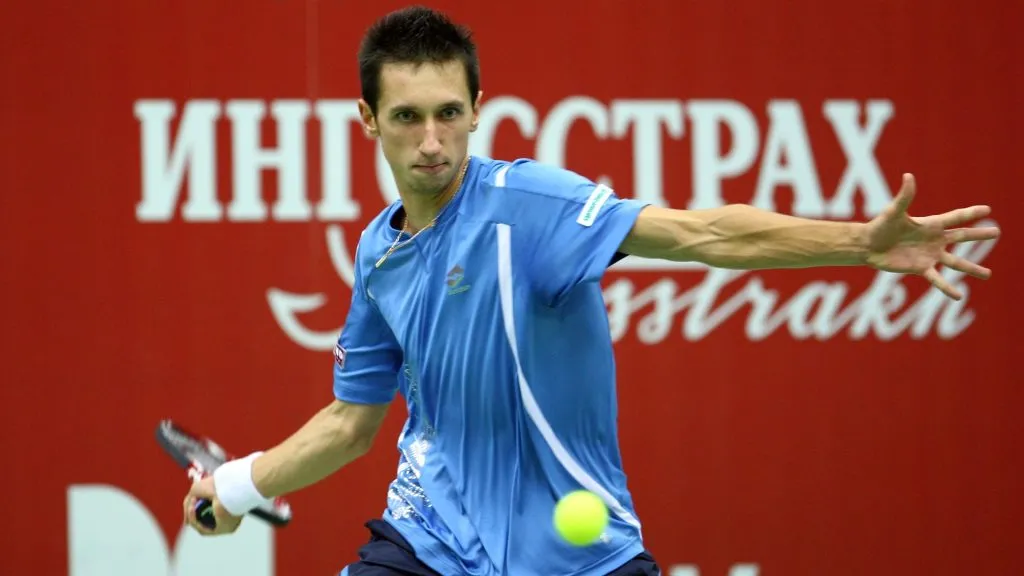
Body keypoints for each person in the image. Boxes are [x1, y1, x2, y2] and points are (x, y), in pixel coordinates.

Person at [182, 5, 1000, 575]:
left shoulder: (530, 207)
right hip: (427, 541)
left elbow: (701, 233)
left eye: (448, 114)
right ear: (368, 120)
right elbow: (351, 423)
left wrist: (859, 242)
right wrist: (241, 483)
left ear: (477, 110)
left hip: (579, 556)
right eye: (405, 118)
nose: (430, 141)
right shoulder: (378, 254)